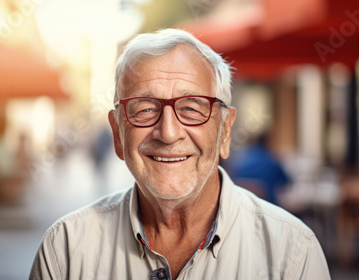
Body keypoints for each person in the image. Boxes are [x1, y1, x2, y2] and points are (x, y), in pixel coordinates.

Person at [30, 28, 330, 280]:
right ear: (118, 134)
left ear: (225, 131)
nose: (169, 132)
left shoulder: (292, 254)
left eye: (191, 107)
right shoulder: (66, 251)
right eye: (145, 109)